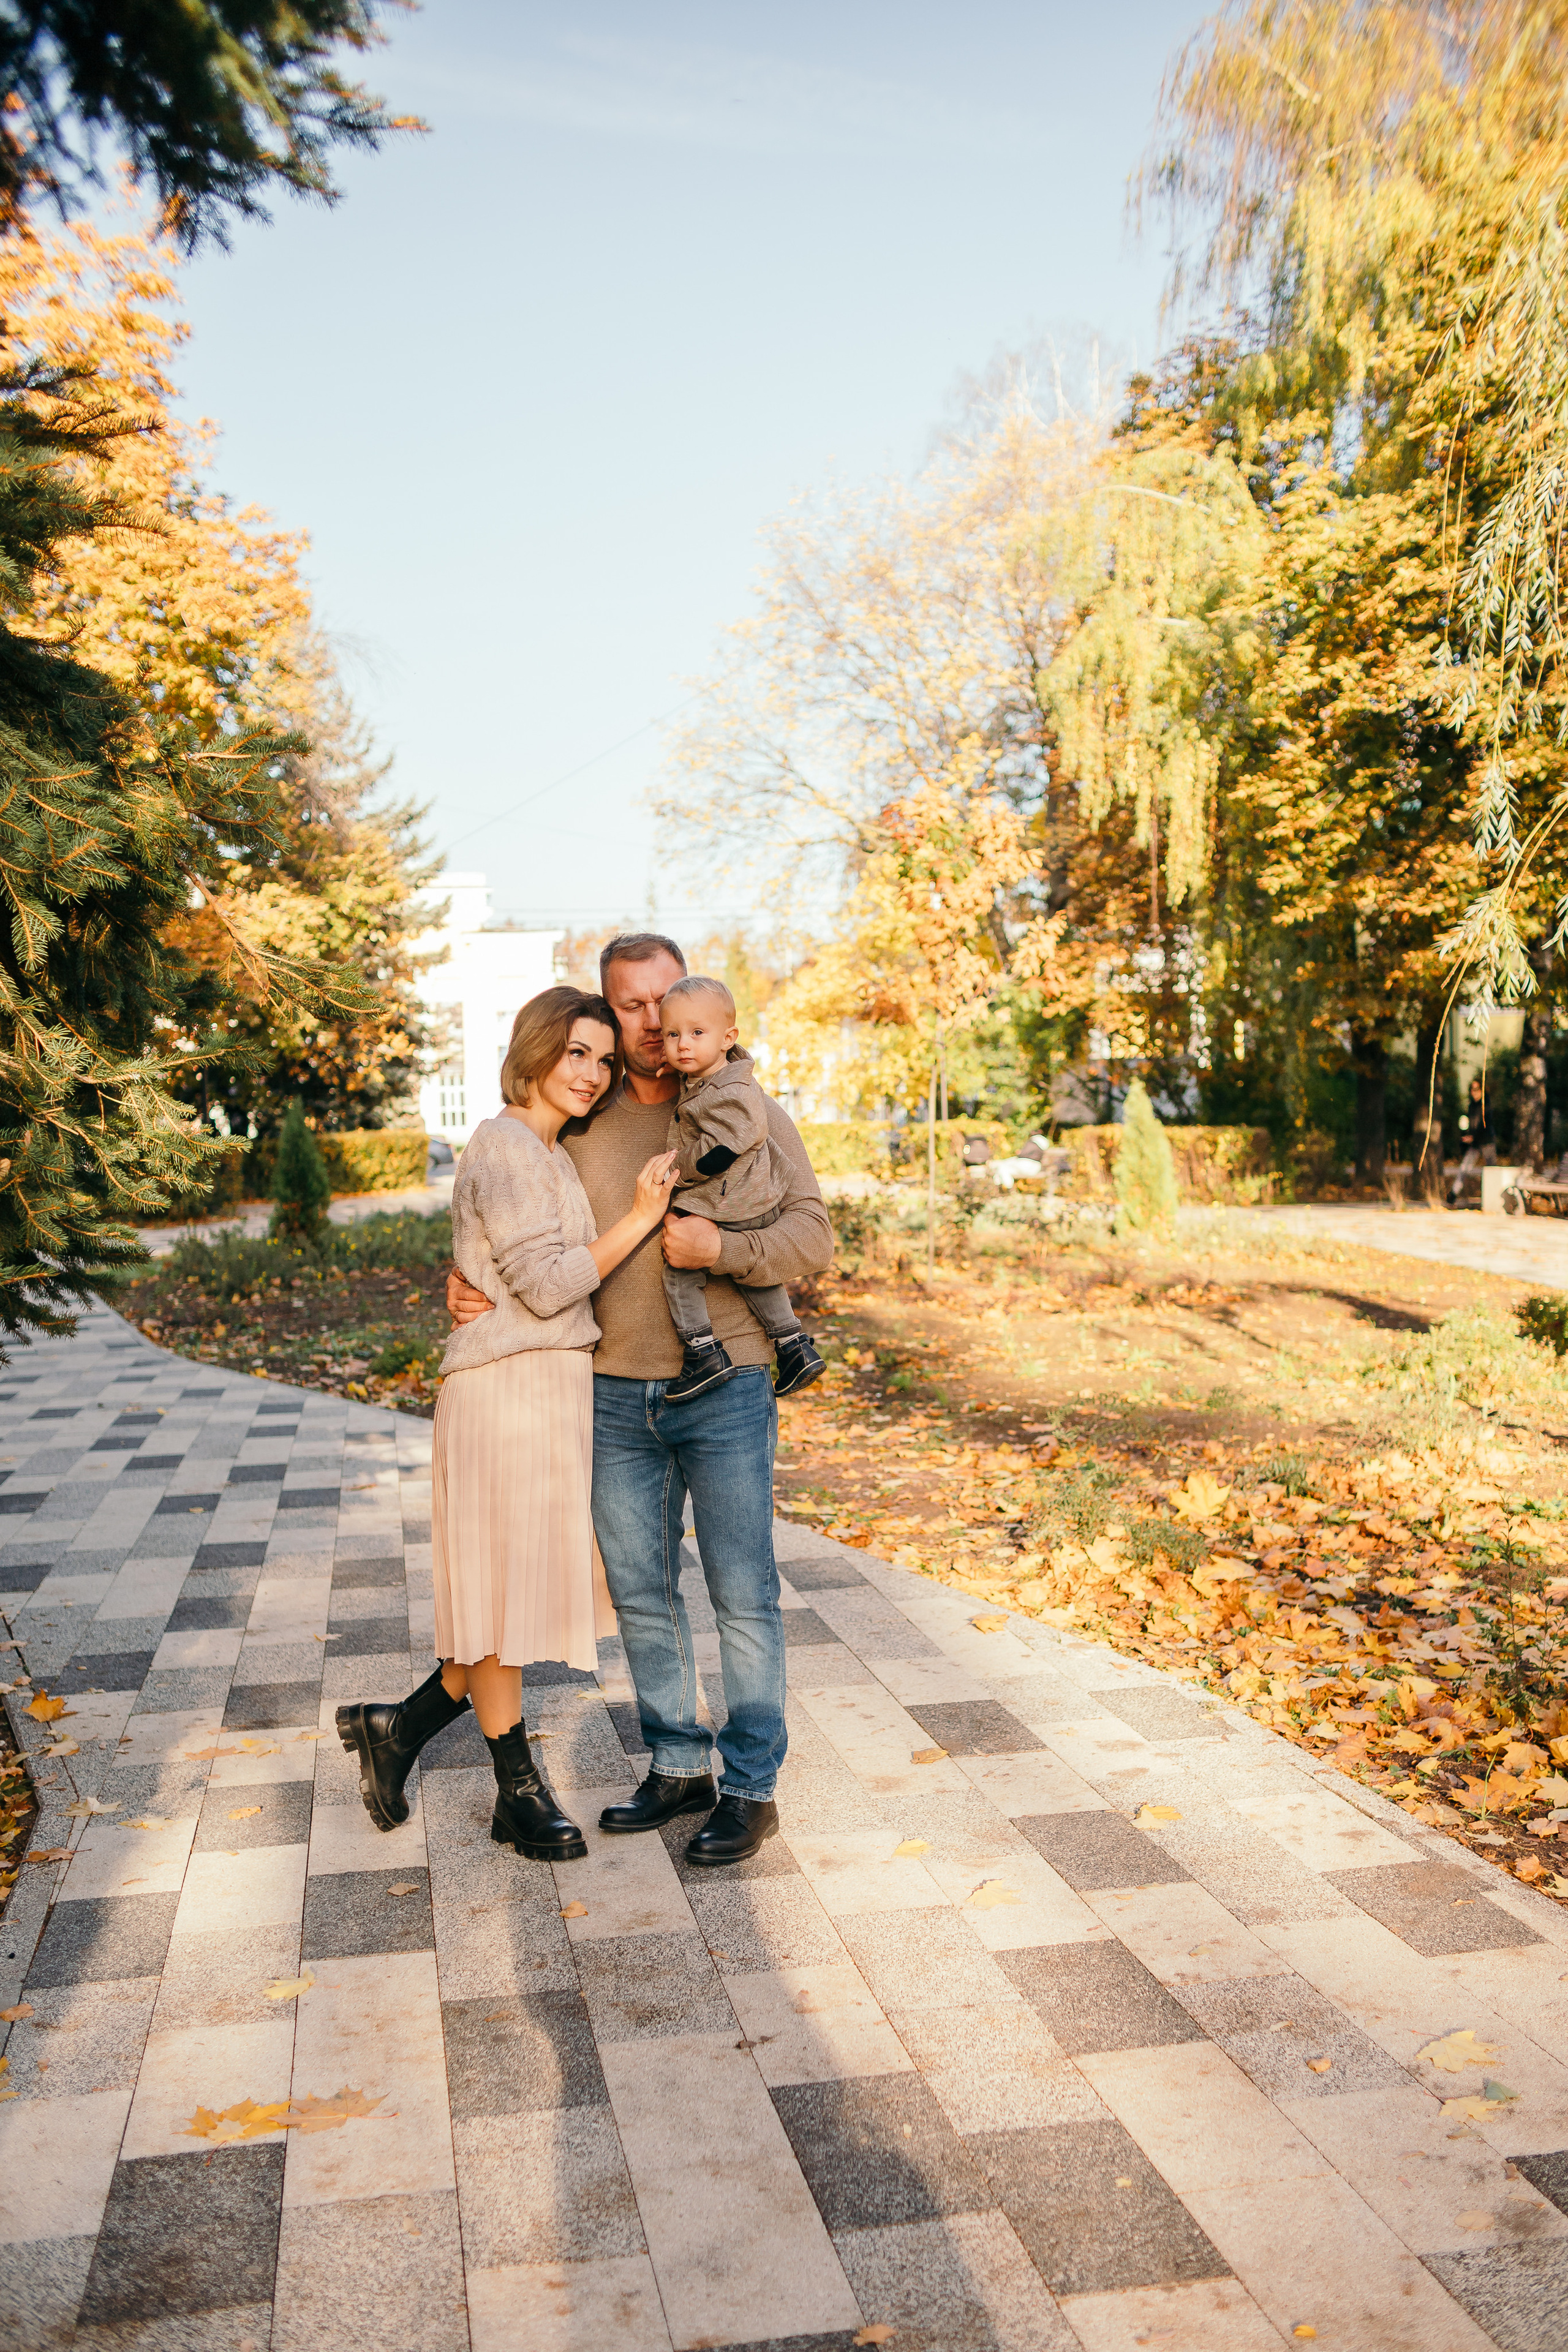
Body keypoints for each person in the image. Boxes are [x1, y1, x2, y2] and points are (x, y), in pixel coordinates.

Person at [447, 931, 834, 1866]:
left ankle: (750, 1788)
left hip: (729, 1384)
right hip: (612, 1395)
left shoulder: (743, 1109)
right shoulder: (581, 1114)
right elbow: (514, 1221)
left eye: (667, 1003)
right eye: (632, 1008)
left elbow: (812, 1238)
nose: (655, 1024)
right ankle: (676, 1764)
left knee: (743, 1593)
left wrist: (724, 1253)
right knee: (643, 1595)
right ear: (612, 1012)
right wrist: (462, 1279)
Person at [337, 986, 679, 1863]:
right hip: (504, 1396)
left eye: (603, 1061)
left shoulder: (547, 1152)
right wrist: (642, 1217)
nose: (594, 1074)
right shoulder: (504, 1143)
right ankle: (516, 1792)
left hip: (543, 1388)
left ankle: (397, 1727)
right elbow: (550, 1283)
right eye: (578, 1054)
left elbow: (509, 1267)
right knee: (500, 1596)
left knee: (514, 1591)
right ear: (535, 1050)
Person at [656, 971, 825, 1403]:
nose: (683, 1045)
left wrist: (688, 1169)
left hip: (731, 1197)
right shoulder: (716, 1077)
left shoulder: (733, 1087)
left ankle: (702, 1350)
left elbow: (735, 1134)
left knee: (680, 1267)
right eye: (672, 1034)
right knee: (754, 1278)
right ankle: (793, 1345)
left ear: (728, 1037)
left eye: (696, 1033)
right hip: (748, 1197)